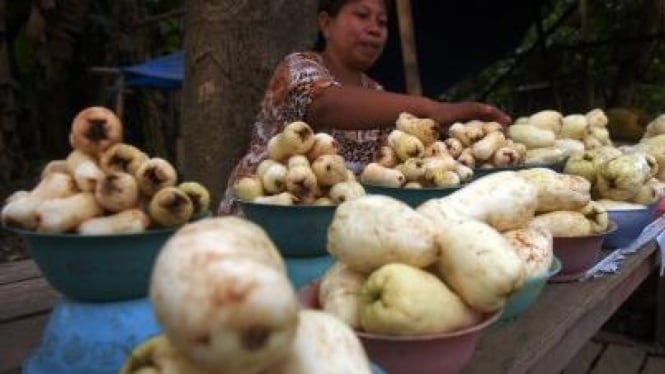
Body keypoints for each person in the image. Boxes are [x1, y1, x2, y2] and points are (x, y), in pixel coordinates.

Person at [218, 0, 511, 214]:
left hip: (333, 224)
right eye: (361, 15)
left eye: (382, 22)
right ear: (326, 23)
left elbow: (396, 165)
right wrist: (431, 109)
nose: (374, 29)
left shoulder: (379, 94)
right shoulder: (297, 67)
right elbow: (325, 104)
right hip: (264, 216)